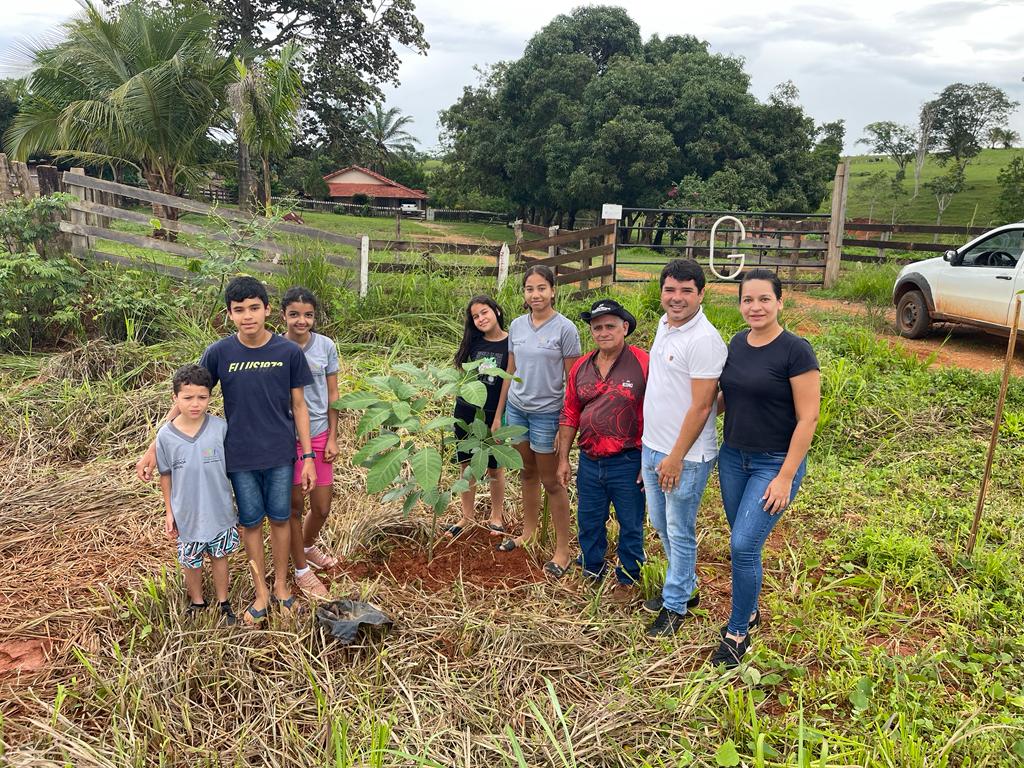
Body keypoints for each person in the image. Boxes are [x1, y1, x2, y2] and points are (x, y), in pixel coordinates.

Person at [137, 276, 317, 626]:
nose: (247, 316)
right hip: (239, 457)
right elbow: (188, 393)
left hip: (280, 453)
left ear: (268, 310)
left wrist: (308, 456)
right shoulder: (220, 353)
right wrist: (154, 445)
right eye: (239, 310)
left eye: (254, 308)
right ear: (229, 314)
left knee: (280, 519)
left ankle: (281, 587)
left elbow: (300, 406)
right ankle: (260, 593)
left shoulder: (288, 353)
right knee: (251, 523)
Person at [712, 268, 820, 668]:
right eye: (747, 299)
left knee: (742, 545)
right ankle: (751, 609)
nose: (755, 307)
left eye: (763, 299)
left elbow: (808, 418)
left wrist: (786, 476)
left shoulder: (796, 351)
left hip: (773, 462)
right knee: (745, 543)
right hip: (732, 458)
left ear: (780, 303)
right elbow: (726, 397)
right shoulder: (737, 343)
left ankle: (738, 631)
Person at [641, 259, 727, 636]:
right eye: (670, 289)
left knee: (679, 529)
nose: (677, 298)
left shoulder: (703, 340)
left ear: (701, 294)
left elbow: (703, 406)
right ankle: (686, 586)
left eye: (686, 291)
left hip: (685, 457)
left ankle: (676, 605)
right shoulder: (665, 324)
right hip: (652, 446)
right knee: (661, 524)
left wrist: (675, 457)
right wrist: (651, 447)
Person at [493, 265, 581, 578]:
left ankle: (562, 550)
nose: (536, 295)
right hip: (518, 410)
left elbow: (572, 383)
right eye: (530, 289)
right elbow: (510, 371)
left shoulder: (565, 329)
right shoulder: (517, 326)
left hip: (547, 414)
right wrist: (499, 414)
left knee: (552, 481)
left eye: (542, 288)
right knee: (526, 473)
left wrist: (564, 426)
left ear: (553, 291)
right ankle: (528, 533)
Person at [556, 299, 648, 602]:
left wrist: (649, 459)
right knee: (589, 519)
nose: (604, 332)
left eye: (610, 326)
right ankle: (591, 569)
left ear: (625, 327)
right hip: (590, 459)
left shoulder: (643, 363)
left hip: (629, 459)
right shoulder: (582, 367)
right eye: (597, 327)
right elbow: (570, 412)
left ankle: (628, 577)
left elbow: (658, 411)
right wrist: (563, 459)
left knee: (630, 522)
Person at [156, 364, 240, 626]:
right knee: (190, 560)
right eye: (188, 397)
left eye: (202, 397)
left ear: (210, 397)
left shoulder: (220, 428)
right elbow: (166, 475)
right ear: (175, 398)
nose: (195, 404)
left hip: (219, 509)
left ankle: (223, 602)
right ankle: (197, 601)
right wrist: (169, 511)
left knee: (220, 556)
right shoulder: (165, 436)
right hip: (187, 513)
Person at [281, 287, 341, 598]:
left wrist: (333, 436)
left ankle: (305, 545)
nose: (301, 321)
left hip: (318, 434)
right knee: (294, 507)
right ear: (283, 315)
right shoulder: (275, 347)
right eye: (294, 314)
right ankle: (301, 569)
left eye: (308, 315)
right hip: (286, 438)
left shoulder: (326, 346)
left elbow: (333, 394)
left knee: (321, 507)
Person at [448, 295, 510, 537]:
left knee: (495, 466)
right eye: (475, 316)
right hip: (466, 411)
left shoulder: (511, 344)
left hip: (493, 414)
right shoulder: (472, 343)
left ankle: (496, 516)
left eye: (484, 312)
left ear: (497, 311)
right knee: (467, 465)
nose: (481, 319)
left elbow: (507, 383)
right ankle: (467, 517)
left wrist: (499, 417)